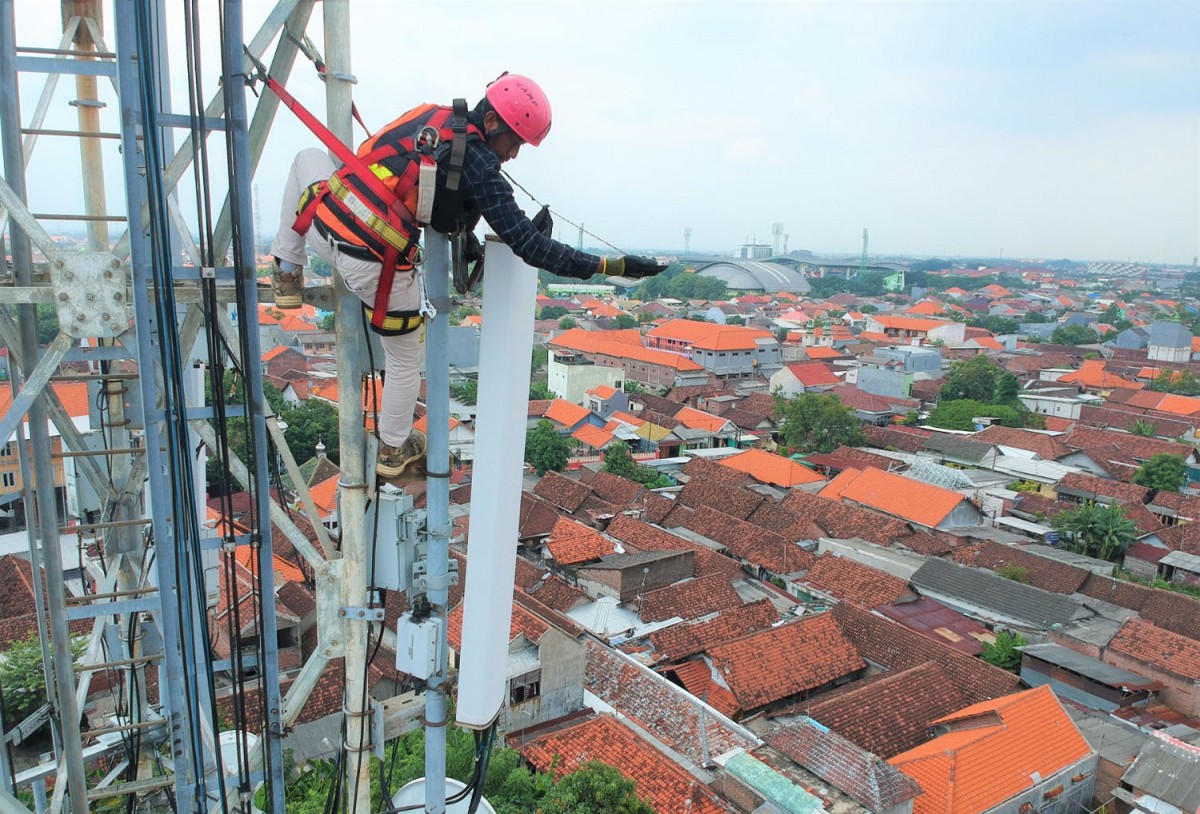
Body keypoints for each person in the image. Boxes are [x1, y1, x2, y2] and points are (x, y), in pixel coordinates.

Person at [270, 73, 667, 480]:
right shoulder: (478, 164)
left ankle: (286, 270)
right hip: (373, 261)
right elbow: (530, 245)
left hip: (321, 221)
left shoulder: (433, 117)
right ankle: (392, 446)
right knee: (405, 358)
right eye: (513, 142)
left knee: (306, 157)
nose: (513, 155)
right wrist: (611, 267)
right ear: (491, 122)